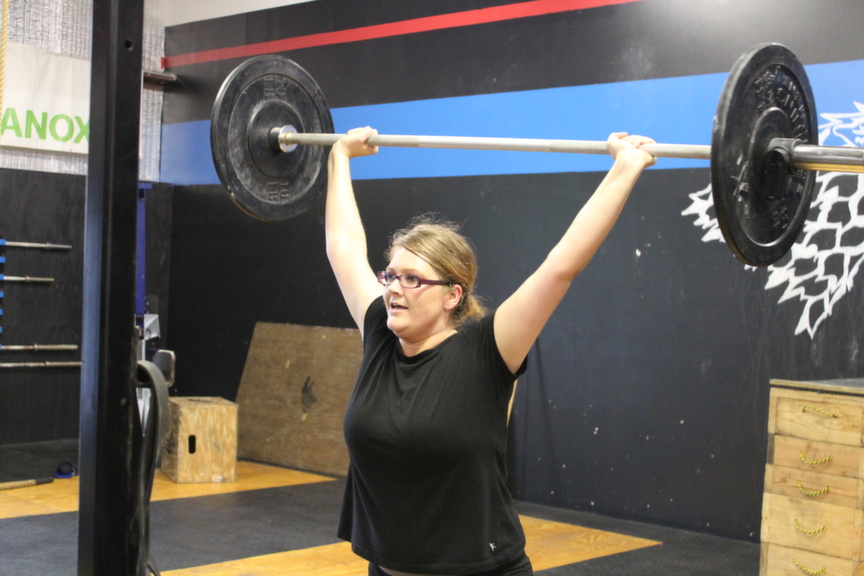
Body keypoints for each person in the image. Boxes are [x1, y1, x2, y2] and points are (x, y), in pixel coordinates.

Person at [326, 127, 656, 576]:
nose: (393, 289)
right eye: (391, 275)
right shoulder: (380, 337)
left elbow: (560, 266)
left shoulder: (487, 351)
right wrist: (339, 156)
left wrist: (625, 167)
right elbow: (344, 248)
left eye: (412, 279)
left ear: (453, 295)